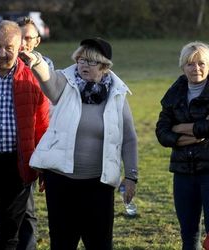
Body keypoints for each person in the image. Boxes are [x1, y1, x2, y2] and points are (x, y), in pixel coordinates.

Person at [20, 37, 138, 250]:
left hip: (98, 184)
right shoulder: (65, 82)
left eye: (91, 62)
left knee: (100, 243)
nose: (83, 65)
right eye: (81, 59)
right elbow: (47, 78)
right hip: (61, 182)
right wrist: (36, 61)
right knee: (62, 242)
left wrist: (131, 175)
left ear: (104, 67)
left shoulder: (117, 93)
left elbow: (129, 138)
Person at [155, 41, 209, 250]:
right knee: (188, 233)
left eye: (201, 63)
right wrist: (191, 133)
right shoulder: (173, 95)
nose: (196, 68)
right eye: (190, 63)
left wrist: (178, 128)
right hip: (183, 171)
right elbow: (162, 133)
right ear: (182, 66)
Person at [0, 20, 49, 250]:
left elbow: (42, 124)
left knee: (8, 233)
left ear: (20, 47)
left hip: (16, 164)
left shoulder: (31, 78)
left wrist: (42, 164)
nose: (2, 53)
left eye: (9, 48)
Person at [16, 16, 54, 250]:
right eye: (19, 38)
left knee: (26, 208)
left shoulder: (45, 67)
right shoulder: (4, 63)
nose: (22, 43)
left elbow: (48, 111)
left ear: (37, 41)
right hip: (7, 139)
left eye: (28, 38)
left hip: (33, 141)